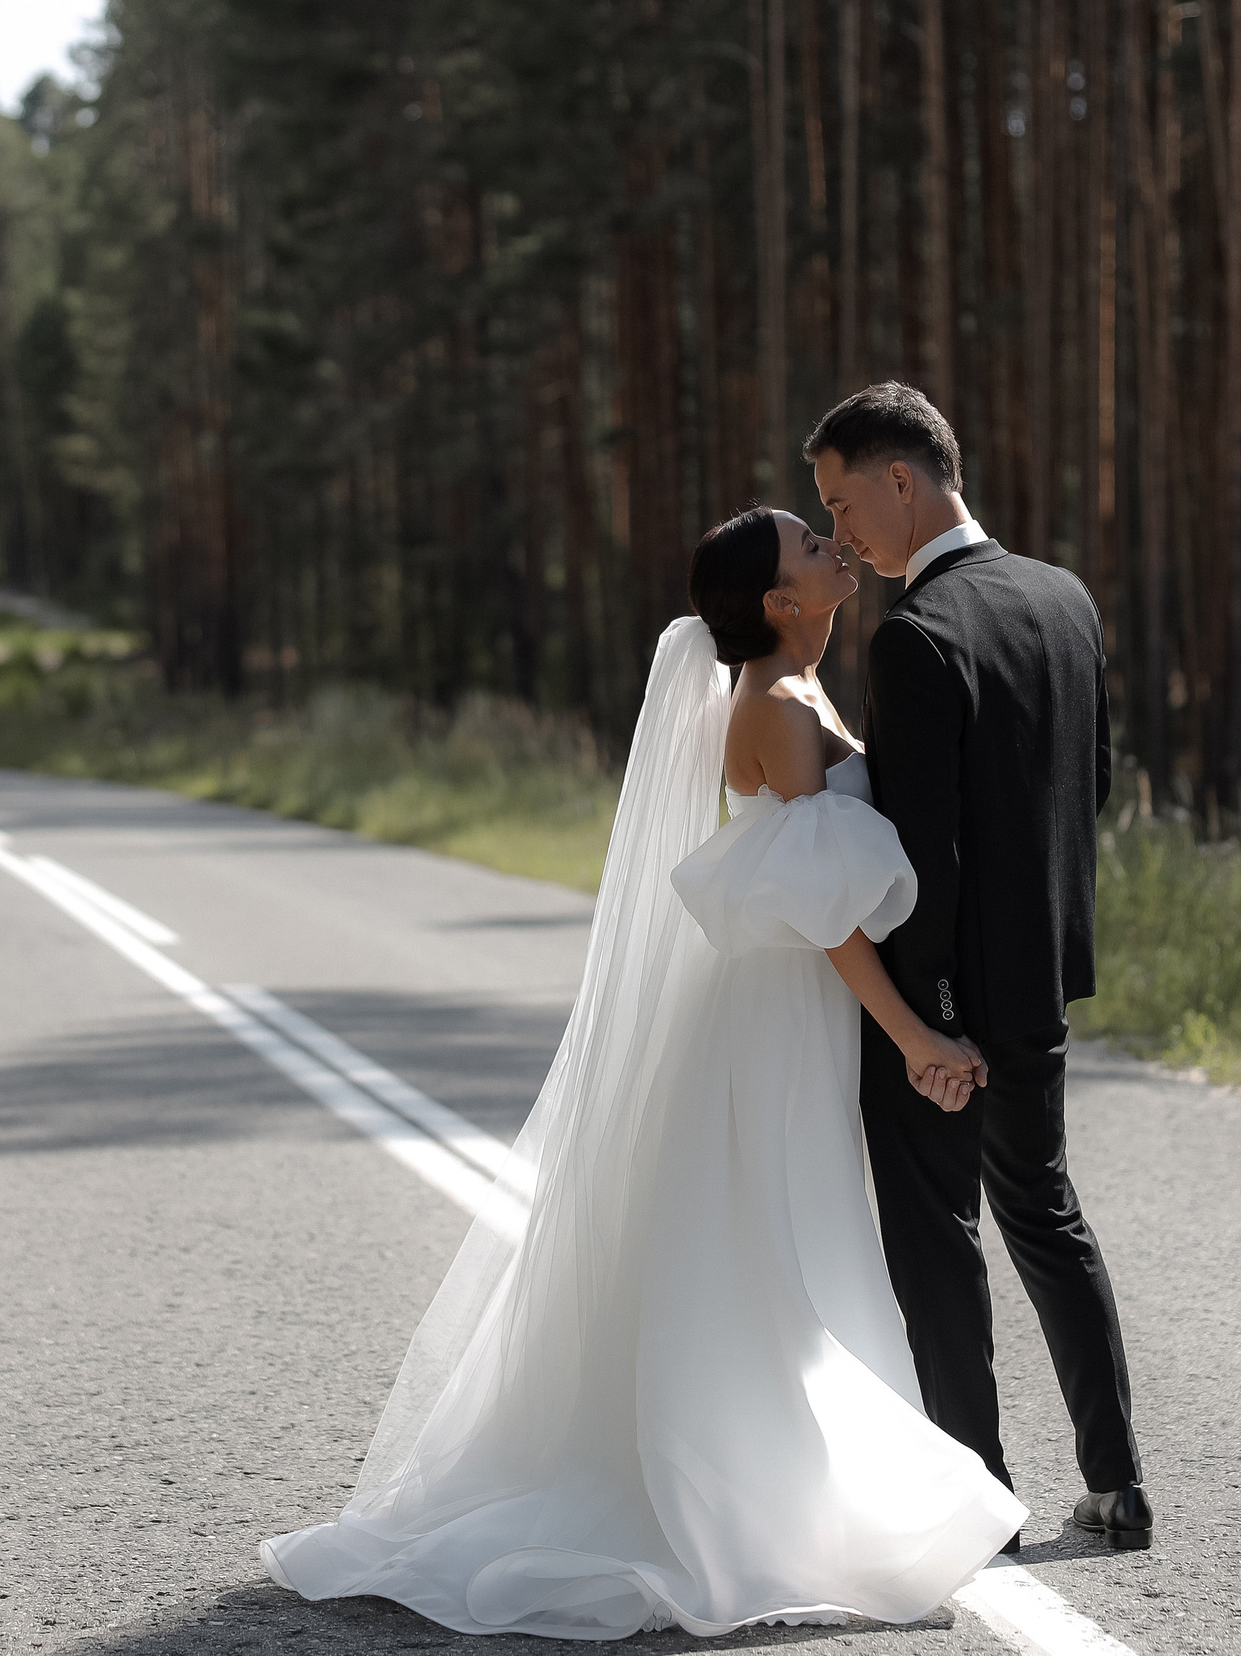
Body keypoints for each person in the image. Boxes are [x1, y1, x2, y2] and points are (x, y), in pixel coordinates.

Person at [260, 506, 1024, 1639]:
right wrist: (914, 1036)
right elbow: (826, 919)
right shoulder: (768, 708)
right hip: (771, 1019)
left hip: (794, 1014)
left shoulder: (802, 692)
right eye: (809, 548)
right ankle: (734, 1494)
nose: (832, 546)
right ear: (778, 602)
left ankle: (790, 1479)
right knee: (767, 1238)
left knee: (791, 1234)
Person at [805, 380, 1151, 1552]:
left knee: (938, 1239)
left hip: (943, 1001)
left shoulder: (913, 636)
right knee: (1046, 1216)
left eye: (843, 503)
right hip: (1041, 984)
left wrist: (927, 1027)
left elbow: (924, 859)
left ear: (903, 479)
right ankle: (1118, 1485)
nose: (842, 535)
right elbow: (1086, 791)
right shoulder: (1064, 598)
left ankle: (979, 1499)